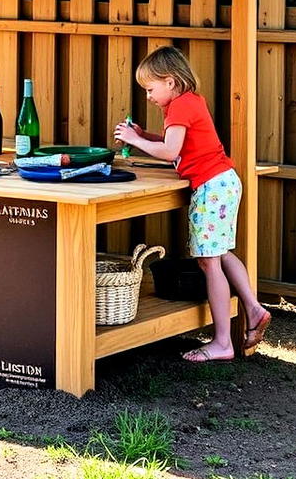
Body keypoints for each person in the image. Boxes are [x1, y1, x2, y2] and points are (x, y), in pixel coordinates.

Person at [114, 46, 271, 363]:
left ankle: (223, 343)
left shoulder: (181, 106)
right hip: (224, 181)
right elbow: (176, 141)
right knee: (222, 252)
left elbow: (171, 152)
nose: (148, 96)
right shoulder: (188, 102)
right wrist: (145, 134)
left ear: (170, 81)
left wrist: (134, 141)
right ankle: (253, 309)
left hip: (210, 187)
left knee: (209, 263)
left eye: (150, 88)